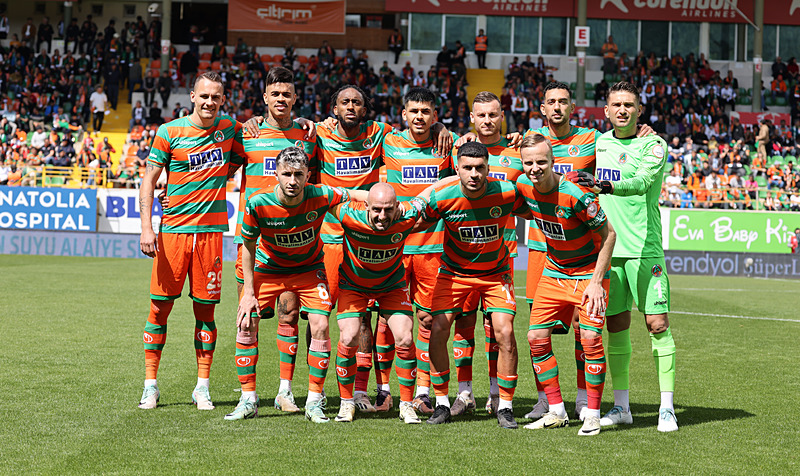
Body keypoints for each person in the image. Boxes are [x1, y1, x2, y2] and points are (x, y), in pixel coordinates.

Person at [567, 81, 678, 432]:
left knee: (657, 325)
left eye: (629, 105)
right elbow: (556, 144)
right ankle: (622, 406)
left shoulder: (654, 144)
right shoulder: (598, 143)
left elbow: (643, 181)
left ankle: (666, 408)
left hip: (645, 250)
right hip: (608, 251)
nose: (622, 110)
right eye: (616, 105)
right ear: (606, 110)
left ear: (639, 110)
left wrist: (605, 185)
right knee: (615, 326)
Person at [137, 71, 243, 411]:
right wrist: (147, 228)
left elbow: (249, 151)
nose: (210, 102)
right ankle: (150, 386)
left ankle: (202, 387)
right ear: (192, 97)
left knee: (206, 313)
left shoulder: (231, 130)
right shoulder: (169, 132)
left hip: (211, 236)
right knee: (159, 309)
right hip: (173, 234)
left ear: (223, 100)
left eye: (216, 96)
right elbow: (149, 181)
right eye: (204, 96)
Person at [233, 146, 361, 423]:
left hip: (308, 268)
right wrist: (248, 293)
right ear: (276, 174)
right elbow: (247, 246)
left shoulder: (320, 194)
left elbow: (354, 194)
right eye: (287, 174)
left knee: (321, 325)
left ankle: (314, 401)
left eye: (299, 175)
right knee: (246, 321)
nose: (292, 181)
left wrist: (389, 200)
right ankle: (248, 400)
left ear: (308, 176)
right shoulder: (257, 203)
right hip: (268, 267)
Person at [230, 67, 319, 415]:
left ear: (295, 99)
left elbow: (321, 177)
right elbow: (215, 169)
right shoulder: (246, 133)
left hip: (294, 239)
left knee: (289, 310)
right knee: (247, 316)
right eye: (275, 94)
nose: (281, 99)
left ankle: (285, 391)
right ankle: (248, 397)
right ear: (264, 98)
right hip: (253, 241)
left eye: (287, 94)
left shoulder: (308, 134)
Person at [424, 141, 528, 429]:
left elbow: (539, 207)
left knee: (505, 331)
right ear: (456, 169)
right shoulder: (443, 196)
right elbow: (414, 216)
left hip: (496, 273)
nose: (473, 174)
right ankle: (442, 402)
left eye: (479, 168)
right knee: (439, 327)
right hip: (454, 273)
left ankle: (505, 406)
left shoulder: (507, 192)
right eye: (467, 168)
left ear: (488, 168)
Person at [517, 133, 616, 436]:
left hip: (588, 276)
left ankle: (593, 414)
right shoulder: (523, 187)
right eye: (529, 163)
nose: (535, 168)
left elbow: (609, 234)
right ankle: (557, 410)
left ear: (553, 162)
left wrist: (597, 282)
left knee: (589, 339)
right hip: (554, 272)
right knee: (535, 337)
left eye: (541, 162)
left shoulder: (576, 195)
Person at [382, 88, 457, 414]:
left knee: (427, 318)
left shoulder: (447, 147)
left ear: (435, 116)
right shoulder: (388, 142)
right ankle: (385, 390)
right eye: (414, 111)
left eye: (426, 112)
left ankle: (424, 391)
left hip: (433, 247)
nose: (419, 117)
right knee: (388, 320)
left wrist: (451, 132)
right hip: (395, 248)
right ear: (403, 114)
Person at [450, 91, 524, 416]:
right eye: (481, 115)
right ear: (472, 117)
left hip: (502, 256)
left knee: (497, 329)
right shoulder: (457, 149)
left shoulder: (518, 153)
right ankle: (464, 393)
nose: (487, 120)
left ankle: (496, 393)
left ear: (502, 115)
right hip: (463, 257)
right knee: (463, 326)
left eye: (493, 114)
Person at [331, 183, 425, 424]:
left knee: (404, 337)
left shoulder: (407, 217)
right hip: (354, 286)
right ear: (366, 207)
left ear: (397, 208)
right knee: (349, 337)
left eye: (388, 209)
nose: (383, 216)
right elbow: (323, 196)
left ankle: (406, 405)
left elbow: (434, 193)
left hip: (391, 287)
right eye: (377, 210)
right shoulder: (348, 216)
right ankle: (346, 403)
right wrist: (352, 192)